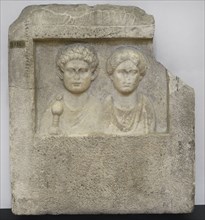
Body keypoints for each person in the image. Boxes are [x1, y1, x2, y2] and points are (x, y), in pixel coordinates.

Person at [40, 44, 103, 135]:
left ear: (93, 74)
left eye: (82, 71)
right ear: (61, 73)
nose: (76, 77)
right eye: (71, 71)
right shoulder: (54, 106)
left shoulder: (99, 107)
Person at [104, 46, 156, 135]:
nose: (127, 78)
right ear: (111, 75)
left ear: (140, 76)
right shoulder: (106, 106)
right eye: (121, 72)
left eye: (132, 72)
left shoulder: (145, 106)